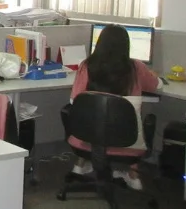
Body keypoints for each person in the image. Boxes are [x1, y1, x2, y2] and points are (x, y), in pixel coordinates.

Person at [68, 24, 162, 190]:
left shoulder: (87, 66)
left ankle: (80, 164)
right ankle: (134, 175)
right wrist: (154, 76)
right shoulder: (137, 67)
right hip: (128, 144)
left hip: (87, 141)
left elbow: (73, 101)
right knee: (134, 120)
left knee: (92, 116)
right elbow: (157, 86)